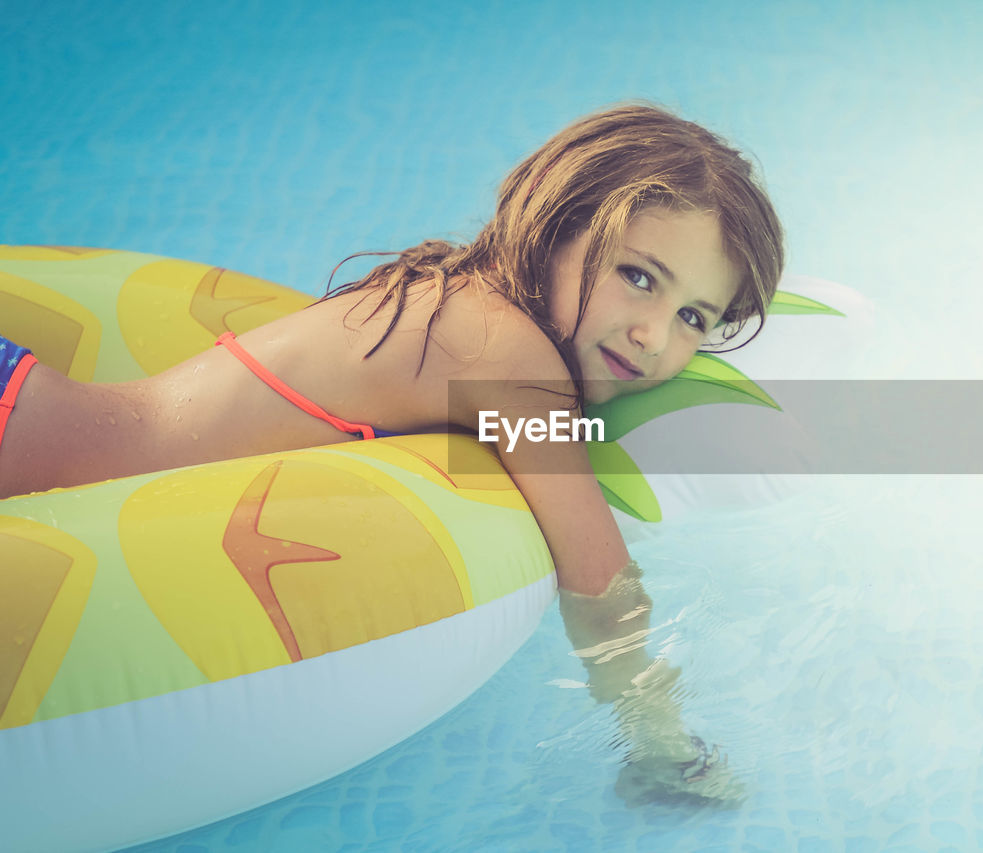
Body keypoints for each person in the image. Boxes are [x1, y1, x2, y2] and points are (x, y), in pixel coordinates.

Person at [0, 103, 783, 804]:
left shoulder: (460, 294)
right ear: (558, 226)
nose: (655, 336)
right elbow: (601, 580)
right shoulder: (509, 358)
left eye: (693, 317)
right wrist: (662, 745)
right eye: (638, 277)